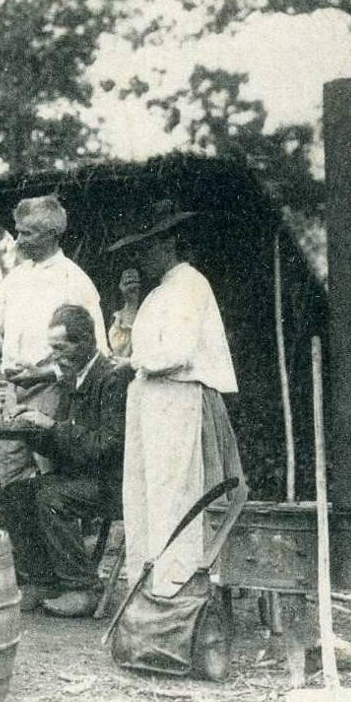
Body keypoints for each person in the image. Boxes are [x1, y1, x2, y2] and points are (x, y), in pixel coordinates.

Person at [108, 201, 248, 593]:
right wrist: (132, 310)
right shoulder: (159, 293)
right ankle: (149, 588)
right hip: (153, 404)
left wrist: (135, 362)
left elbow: (178, 352)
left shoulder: (188, 285)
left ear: (169, 243)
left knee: (175, 498)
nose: (141, 258)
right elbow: (129, 344)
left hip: (178, 402)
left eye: (147, 247)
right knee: (146, 498)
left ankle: (175, 591)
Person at [0, 195, 108, 487]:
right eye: (18, 231)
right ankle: (15, 534)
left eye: (27, 233)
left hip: (59, 395)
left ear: (52, 234)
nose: (18, 241)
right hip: (15, 395)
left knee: (53, 478)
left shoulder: (75, 281)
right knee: (9, 477)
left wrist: (46, 373)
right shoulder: (15, 279)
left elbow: (98, 354)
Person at [0, 305, 132, 617]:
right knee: (14, 494)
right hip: (82, 478)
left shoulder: (111, 378)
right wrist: (29, 429)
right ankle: (41, 581)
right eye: (53, 348)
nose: (54, 355)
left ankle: (83, 587)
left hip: (112, 482)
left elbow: (109, 446)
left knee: (51, 496)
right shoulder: (75, 376)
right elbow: (62, 443)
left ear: (85, 341)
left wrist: (51, 426)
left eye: (60, 347)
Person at [108, 267, 141, 359]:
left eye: (136, 284)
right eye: (126, 282)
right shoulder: (115, 317)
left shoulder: (147, 315)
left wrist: (132, 303)